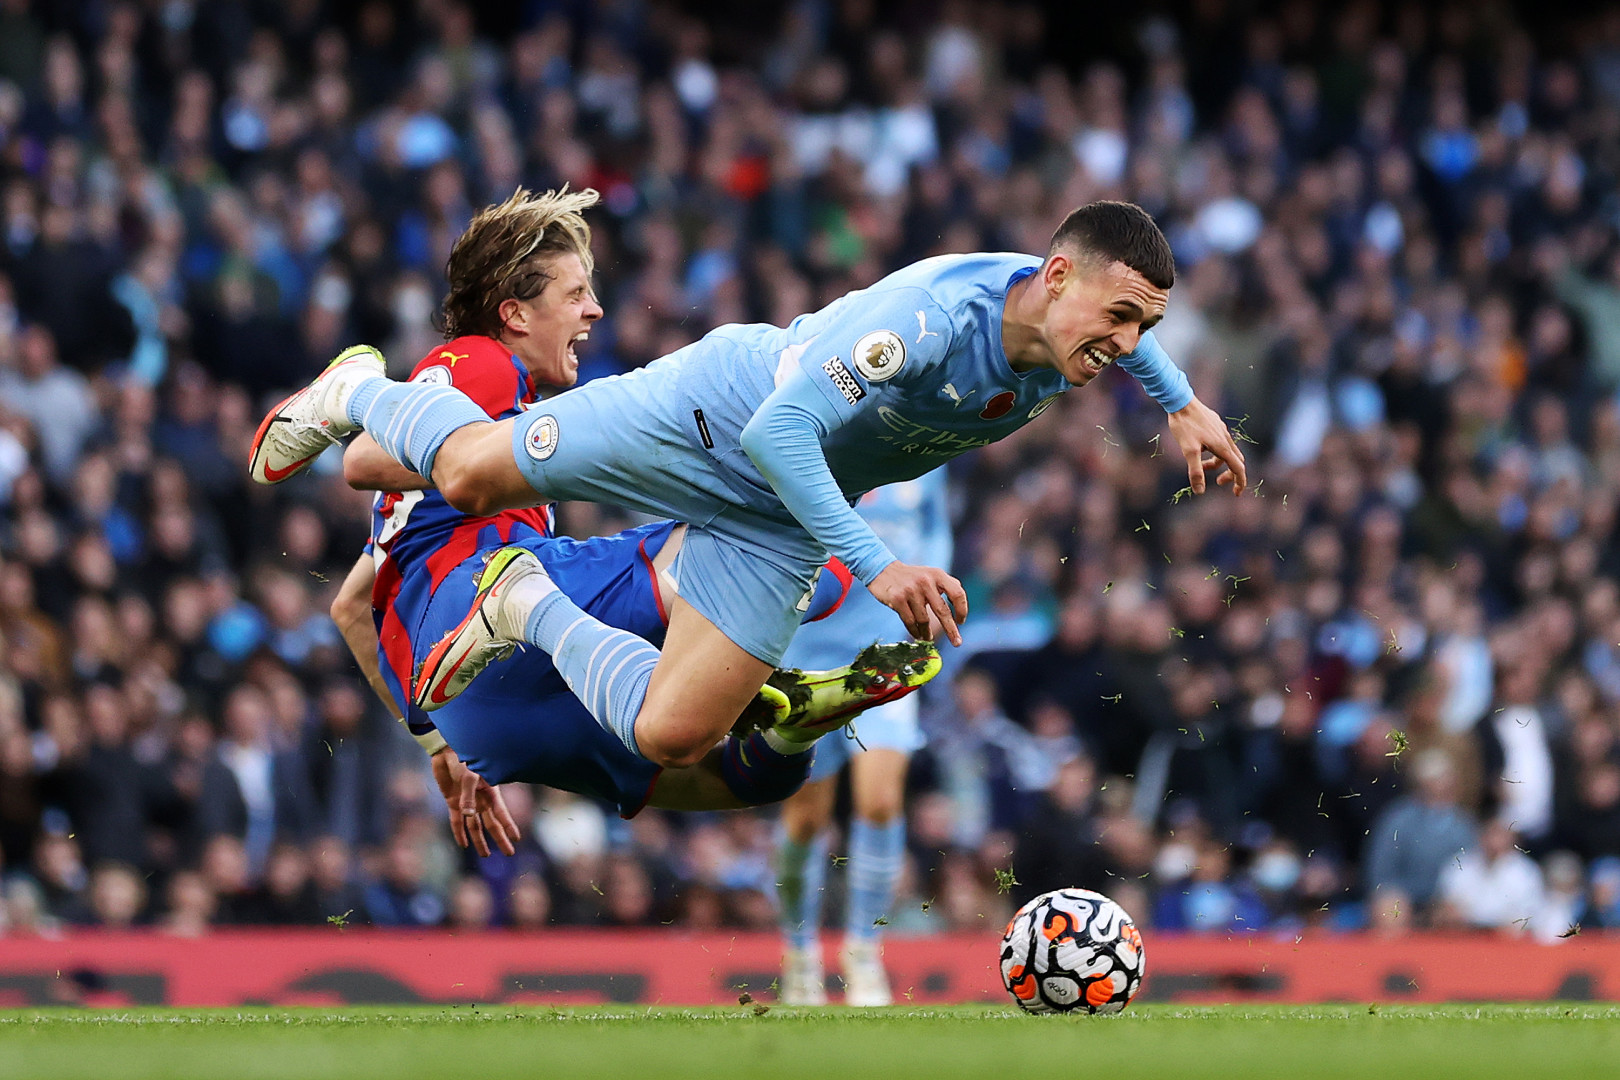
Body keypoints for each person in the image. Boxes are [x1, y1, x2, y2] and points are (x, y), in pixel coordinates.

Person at [251, 192, 1246, 820]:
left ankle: (541, 611)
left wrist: (1182, 402)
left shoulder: (1067, 329)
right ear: (1056, 278)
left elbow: (1124, 310)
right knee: (467, 474)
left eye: (1142, 327)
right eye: (1120, 320)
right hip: (717, 419)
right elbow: (779, 434)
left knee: (673, 736)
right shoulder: (932, 324)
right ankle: (353, 389)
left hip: (782, 510)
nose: (1127, 343)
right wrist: (877, 566)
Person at [318, 189, 935, 856]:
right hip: (481, 601)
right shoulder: (479, 361)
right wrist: (492, 448)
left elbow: (352, 610)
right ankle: (726, 641)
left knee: (736, 776)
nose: (595, 310)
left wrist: (438, 744)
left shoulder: (435, 495)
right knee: (780, 550)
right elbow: (363, 457)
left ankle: (791, 727)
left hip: (476, 709)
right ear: (514, 314)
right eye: (575, 293)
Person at [775, 469, 949, 1006]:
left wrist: (936, 594)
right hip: (805, 654)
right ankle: (799, 952)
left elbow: (936, 530)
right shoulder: (811, 446)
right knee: (806, 818)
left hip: (886, 651)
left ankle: (864, 951)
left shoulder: (929, 454)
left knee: (880, 801)